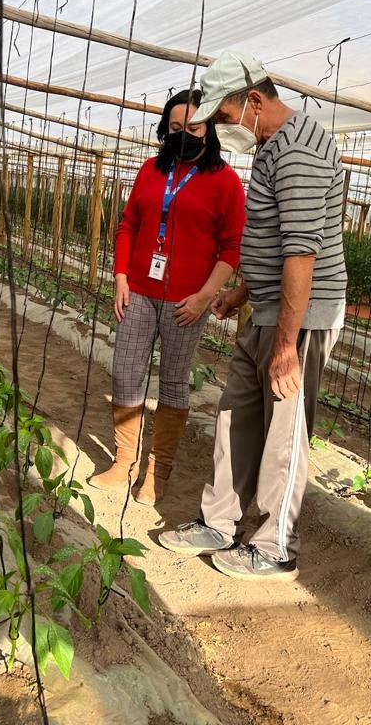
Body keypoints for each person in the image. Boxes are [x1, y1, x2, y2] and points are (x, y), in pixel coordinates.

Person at [158, 51, 347, 580]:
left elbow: (301, 254)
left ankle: (274, 547)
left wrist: (287, 346)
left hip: (301, 319)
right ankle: (220, 521)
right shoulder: (271, 148)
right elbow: (272, 242)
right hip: (267, 308)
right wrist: (243, 293)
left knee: (284, 429)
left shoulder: (301, 151)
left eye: (223, 117)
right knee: (235, 413)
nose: (221, 129)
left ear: (255, 101)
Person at [88, 89, 246, 506]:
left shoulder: (225, 182)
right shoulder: (151, 170)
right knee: (125, 372)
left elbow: (232, 248)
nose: (184, 135)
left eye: (192, 127)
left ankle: (157, 471)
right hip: (139, 290)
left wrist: (204, 297)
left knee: (173, 383)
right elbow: (128, 225)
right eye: (175, 128)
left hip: (186, 302)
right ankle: (123, 462)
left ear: (209, 129)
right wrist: (121, 275)